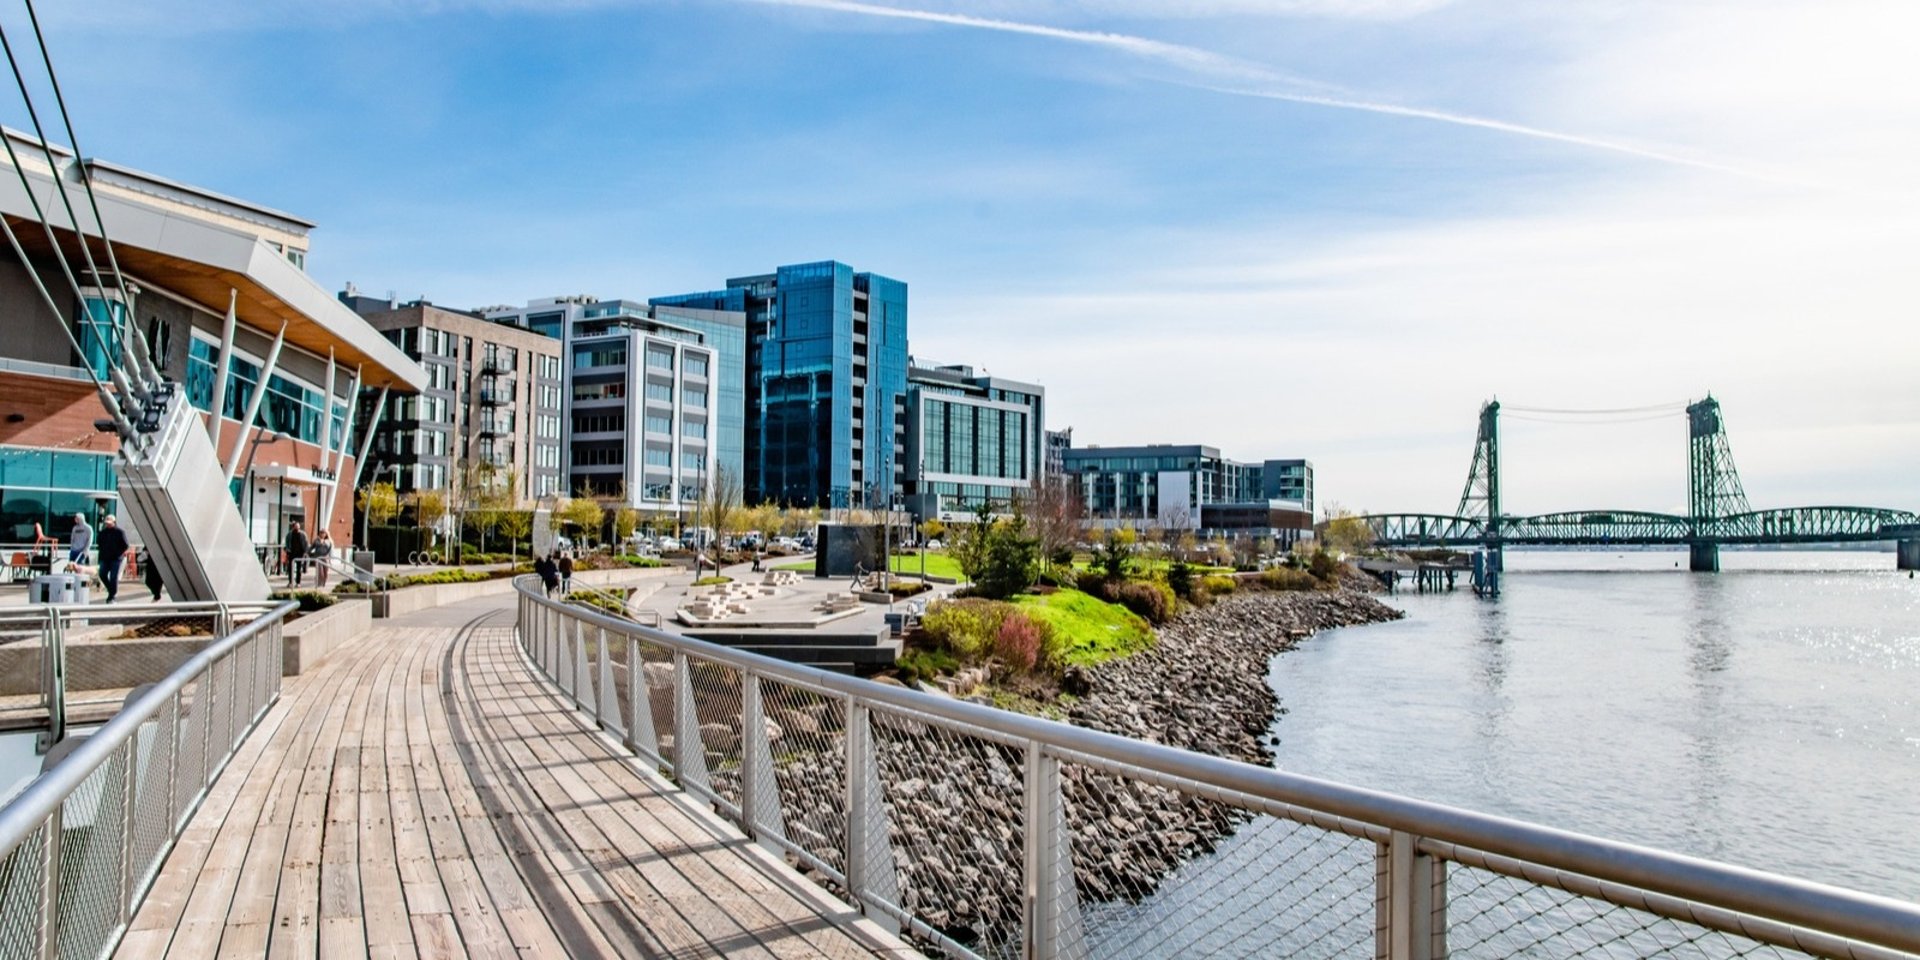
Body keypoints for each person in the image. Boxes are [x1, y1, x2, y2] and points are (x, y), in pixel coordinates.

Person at [96, 514, 129, 603]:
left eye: (109, 523)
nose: (107, 525)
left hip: (116, 558)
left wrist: (119, 554)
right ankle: (111, 589)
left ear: (114, 522)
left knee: (114, 577)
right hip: (105, 558)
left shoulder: (120, 532)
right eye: (106, 523)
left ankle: (112, 596)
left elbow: (126, 545)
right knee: (102, 574)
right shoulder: (103, 533)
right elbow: (100, 544)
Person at [284, 520, 309, 587]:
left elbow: (306, 543)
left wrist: (305, 552)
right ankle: (290, 582)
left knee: (299, 569)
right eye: (296, 527)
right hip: (292, 553)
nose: (297, 528)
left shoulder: (303, 534)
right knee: (290, 568)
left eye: (298, 527)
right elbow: (286, 543)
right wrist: (287, 550)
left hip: (300, 554)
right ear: (293, 527)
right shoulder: (289, 534)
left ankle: (298, 582)